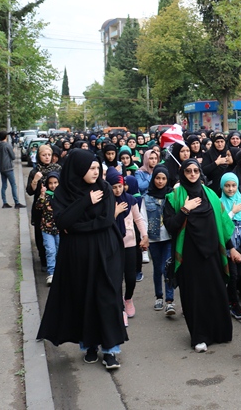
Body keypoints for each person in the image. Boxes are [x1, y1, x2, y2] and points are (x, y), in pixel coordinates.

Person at [36, 149, 128, 370]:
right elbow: (62, 221)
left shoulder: (104, 188)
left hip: (106, 252)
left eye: (97, 168)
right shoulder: (65, 192)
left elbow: (106, 221)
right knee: (83, 298)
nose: (96, 172)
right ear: (79, 169)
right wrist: (85, 201)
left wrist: (77, 227)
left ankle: (111, 350)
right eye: (91, 168)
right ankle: (89, 346)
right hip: (77, 256)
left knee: (107, 298)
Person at [163, 158, 238, 352]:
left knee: (216, 293)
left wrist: (231, 248)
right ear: (182, 173)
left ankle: (219, 333)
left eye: (196, 171)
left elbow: (222, 224)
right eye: (188, 171)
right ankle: (199, 336)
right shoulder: (174, 197)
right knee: (194, 297)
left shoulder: (211, 194)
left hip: (213, 253)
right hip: (189, 256)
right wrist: (185, 210)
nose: (193, 175)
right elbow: (171, 226)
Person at [106, 168, 148, 324]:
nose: (117, 190)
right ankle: (120, 310)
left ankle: (128, 299)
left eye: (120, 186)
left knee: (131, 278)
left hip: (130, 244)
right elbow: (104, 223)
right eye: (114, 187)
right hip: (113, 246)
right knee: (116, 279)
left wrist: (144, 236)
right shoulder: (106, 202)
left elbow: (138, 219)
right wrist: (115, 212)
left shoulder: (130, 199)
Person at [141, 165, 176, 315]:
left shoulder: (171, 196)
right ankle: (159, 297)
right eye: (157, 178)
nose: (160, 181)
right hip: (154, 239)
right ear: (153, 178)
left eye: (163, 178)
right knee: (157, 268)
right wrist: (145, 237)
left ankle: (170, 300)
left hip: (168, 237)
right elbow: (143, 218)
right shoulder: (146, 197)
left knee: (167, 267)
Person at [219, 172, 241, 321]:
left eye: (233, 185)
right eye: (227, 186)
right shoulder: (219, 203)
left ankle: (230, 296)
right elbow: (221, 225)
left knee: (239, 273)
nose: (231, 189)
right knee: (232, 275)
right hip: (228, 245)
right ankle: (233, 303)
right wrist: (232, 212)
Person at [26, 144, 61, 266]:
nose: (47, 157)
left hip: (56, 205)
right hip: (40, 206)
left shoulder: (57, 169)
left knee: (57, 234)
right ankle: (43, 259)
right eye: (44, 155)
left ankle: (56, 260)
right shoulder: (35, 171)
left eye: (49, 155)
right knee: (40, 234)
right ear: (38, 156)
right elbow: (30, 192)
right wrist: (35, 180)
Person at [36, 172, 60, 285]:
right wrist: (41, 195)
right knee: (50, 250)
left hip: (60, 228)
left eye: (55, 183)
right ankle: (51, 273)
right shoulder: (45, 195)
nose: (53, 185)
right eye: (50, 183)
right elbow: (38, 207)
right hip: (47, 229)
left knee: (59, 250)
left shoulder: (62, 195)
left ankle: (60, 272)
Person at [0, 131, 25, 209]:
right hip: (8, 167)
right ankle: (16, 202)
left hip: (1, 167)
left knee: (4, 185)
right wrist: (13, 151)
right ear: (6, 137)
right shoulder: (7, 145)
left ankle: (4, 202)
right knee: (13, 185)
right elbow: (13, 157)